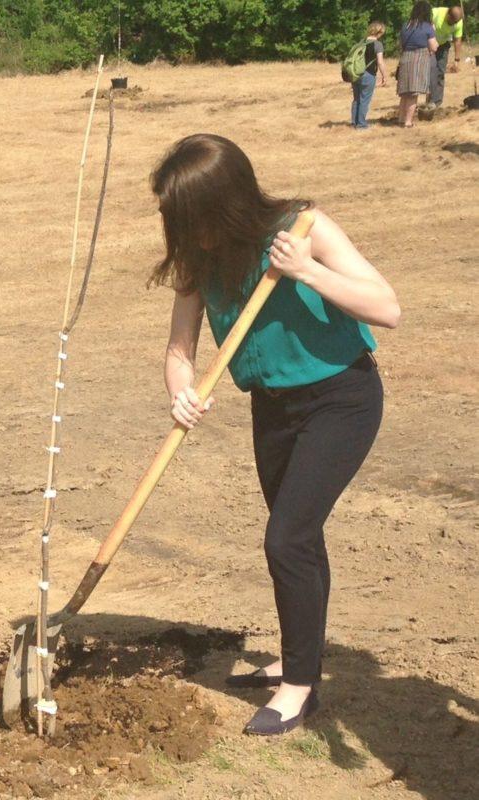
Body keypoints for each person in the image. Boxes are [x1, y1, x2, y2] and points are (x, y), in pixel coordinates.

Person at [150, 134, 400, 736]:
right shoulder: (198, 260)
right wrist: (181, 391)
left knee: (285, 539)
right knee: (300, 540)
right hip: (273, 409)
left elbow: (387, 307)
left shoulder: (304, 228)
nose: (184, 235)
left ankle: (298, 687)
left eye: (191, 220)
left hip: (341, 399)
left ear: (227, 204)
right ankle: (299, 656)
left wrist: (307, 270)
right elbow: (179, 349)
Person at [397, 1, 439, 127]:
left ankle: (401, 119)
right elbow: (434, 47)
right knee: (413, 93)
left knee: (404, 93)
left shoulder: (406, 25)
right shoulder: (427, 27)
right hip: (419, 59)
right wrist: (434, 33)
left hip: (405, 58)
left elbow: (401, 44)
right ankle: (408, 122)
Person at [351, 21, 389, 130]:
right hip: (369, 74)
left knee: (356, 99)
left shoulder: (361, 42)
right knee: (364, 100)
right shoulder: (378, 44)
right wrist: (384, 76)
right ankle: (362, 125)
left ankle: (354, 122)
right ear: (379, 32)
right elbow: (380, 62)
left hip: (356, 73)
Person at [428, 6, 464, 108]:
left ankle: (436, 102)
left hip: (443, 46)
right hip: (429, 45)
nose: (454, 24)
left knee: (440, 72)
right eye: (452, 21)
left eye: (456, 22)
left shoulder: (458, 22)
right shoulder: (436, 13)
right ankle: (429, 97)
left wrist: (457, 60)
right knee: (430, 71)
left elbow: (457, 40)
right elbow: (422, 23)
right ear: (448, 14)